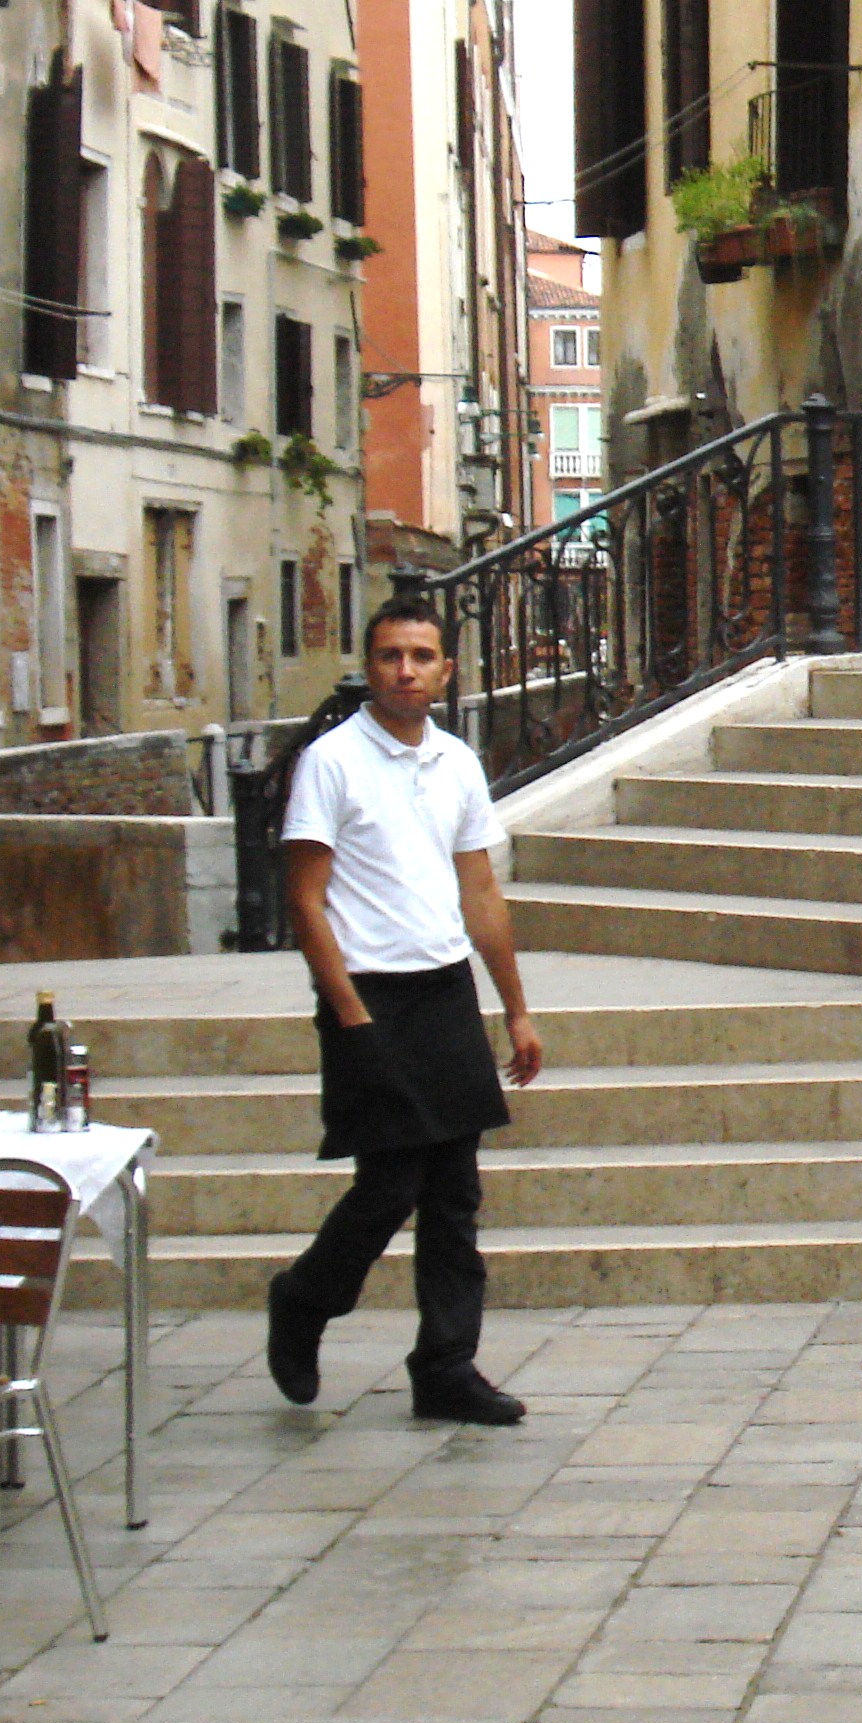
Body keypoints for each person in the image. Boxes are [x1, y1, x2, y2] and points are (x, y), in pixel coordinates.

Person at [265, 594, 544, 1424]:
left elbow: (480, 889)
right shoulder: (331, 761)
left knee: (454, 1193)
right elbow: (305, 899)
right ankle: (305, 1299)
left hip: (443, 988)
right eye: (391, 656)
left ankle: (446, 1366)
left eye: (421, 657)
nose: (406, 671)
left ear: (445, 669)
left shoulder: (456, 762)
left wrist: (517, 1011)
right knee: (388, 1187)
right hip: (369, 994)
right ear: (369, 665)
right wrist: (346, 1010)